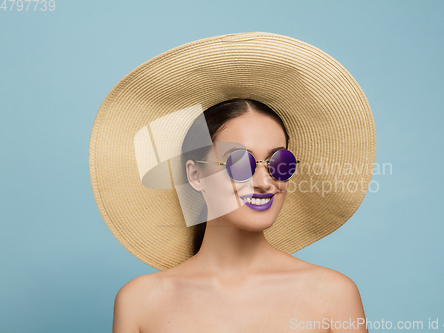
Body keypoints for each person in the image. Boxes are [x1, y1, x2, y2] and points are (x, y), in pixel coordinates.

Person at [89, 32, 376, 332]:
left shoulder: (334, 295)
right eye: (240, 163)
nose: (265, 182)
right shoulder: (140, 301)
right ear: (196, 175)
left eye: (280, 164)